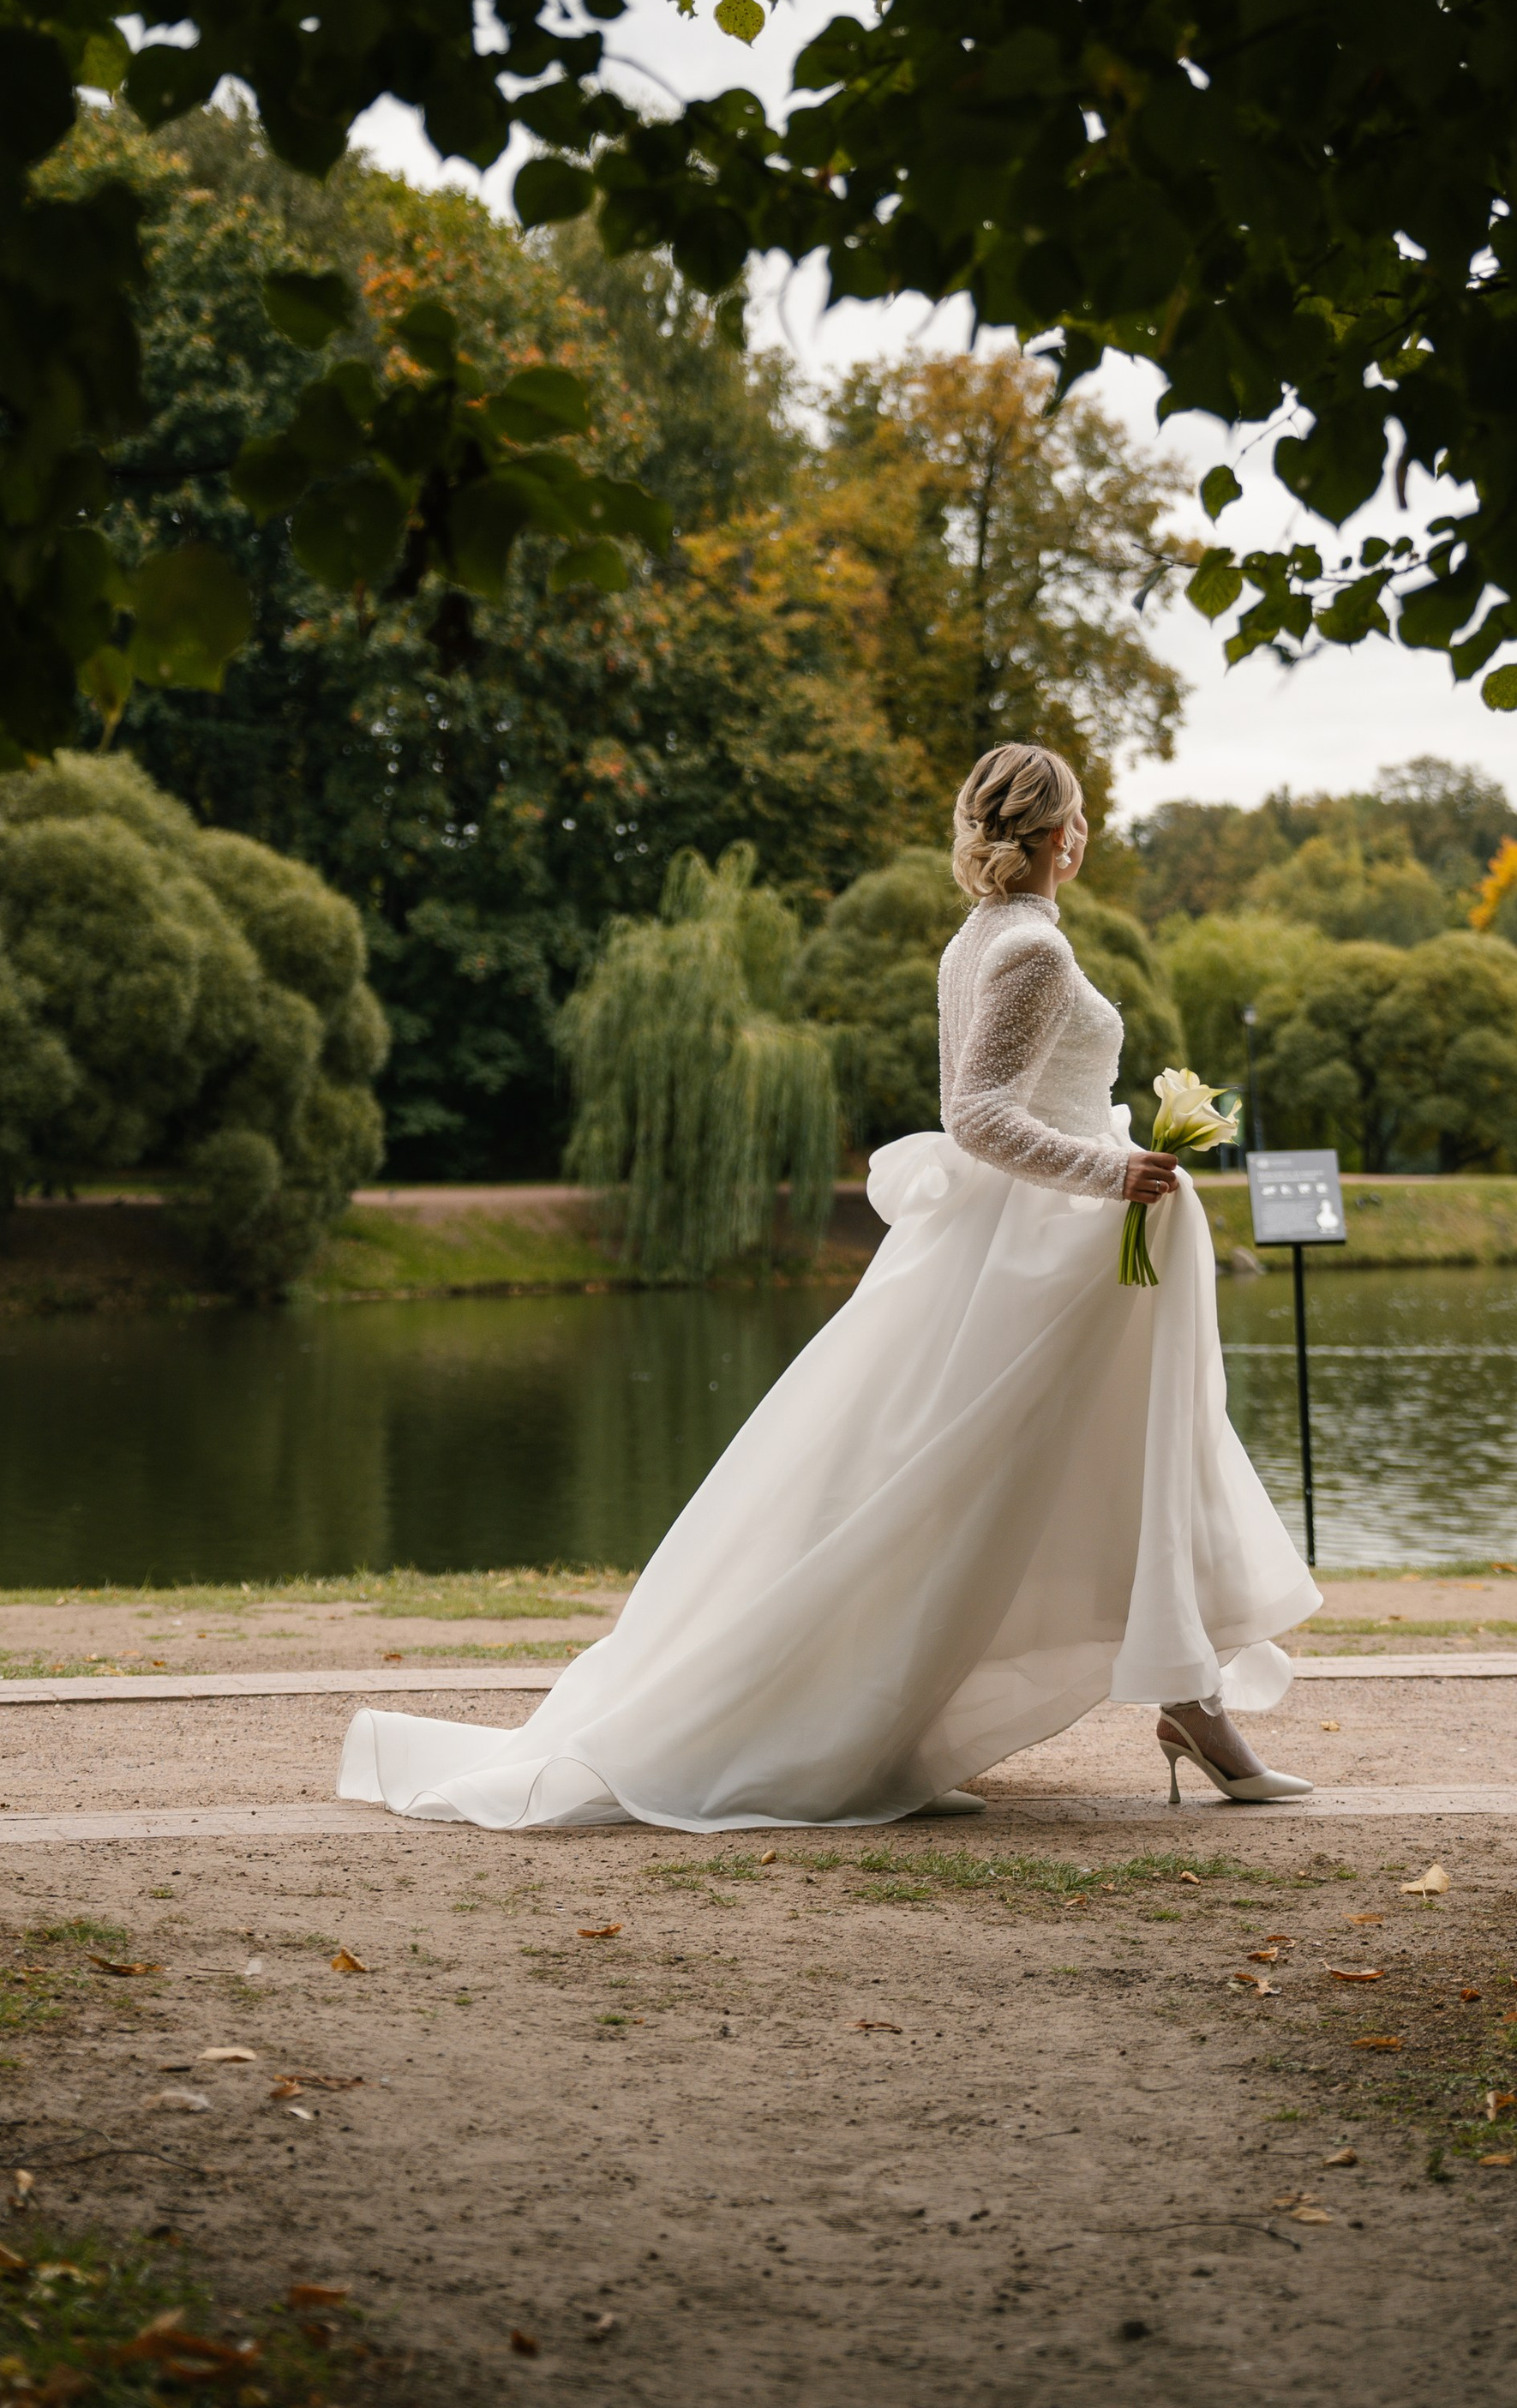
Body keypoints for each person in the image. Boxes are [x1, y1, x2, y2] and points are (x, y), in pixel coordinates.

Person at [338, 743, 1319, 1833]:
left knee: (1113, 1468)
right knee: (986, 1488)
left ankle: (1178, 1703)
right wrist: (1114, 1169)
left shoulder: (980, 937)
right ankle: (904, 1729)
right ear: (1056, 835)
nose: (1081, 837)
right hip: (1044, 1253)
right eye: (1077, 819)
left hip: (1051, 1250)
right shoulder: (1031, 948)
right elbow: (979, 1116)